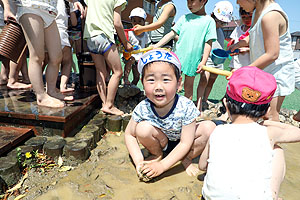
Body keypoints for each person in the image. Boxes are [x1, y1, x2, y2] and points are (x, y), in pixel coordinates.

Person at [199, 66, 300, 200]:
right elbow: (297, 133)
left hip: (209, 198)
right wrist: (266, 122)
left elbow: (201, 165)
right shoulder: (269, 133)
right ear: (267, 111)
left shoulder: (218, 131)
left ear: (226, 104)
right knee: (277, 150)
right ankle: (273, 196)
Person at [125, 49, 215, 181]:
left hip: (186, 143)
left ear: (179, 83)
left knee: (209, 127)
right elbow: (129, 134)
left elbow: (185, 143)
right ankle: (157, 154)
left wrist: (162, 167)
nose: (158, 86)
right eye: (151, 80)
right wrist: (138, 161)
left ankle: (186, 158)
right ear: (143, 83)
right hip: (162, 142)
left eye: (166, 80)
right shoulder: (143, 107)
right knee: (142, 128)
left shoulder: (185, 106)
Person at [2, 0, 80, 107]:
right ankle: (41, 96)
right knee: (38, 56)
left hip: (50, 11)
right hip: (30, 8)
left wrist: (74, 2)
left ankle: (51, 91)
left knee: (57, 56)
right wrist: (7, 8)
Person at [228, 0, 295, 121]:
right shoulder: (257, 13)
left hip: (277, 72)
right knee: (261, 114)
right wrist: (239, 43)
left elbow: (272, 54)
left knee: (270, 115)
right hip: (265, 71)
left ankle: (275, 139)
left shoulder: (270, 16)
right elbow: (255, 33)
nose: (237, 3)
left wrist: (244, 72)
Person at [153, 0, 216, 109]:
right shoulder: (184, 18)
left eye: (192, 1)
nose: (189, 4)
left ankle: (185, 112)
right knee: (170, 83)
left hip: (193, 60)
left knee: (188, 87)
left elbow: (208, 43)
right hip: (177, 58)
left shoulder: (209, 21)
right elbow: (172, 34)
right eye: (188, 1)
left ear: (204, 1)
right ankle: (168, 108)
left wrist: (203, 61)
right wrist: (156, 46)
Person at [83, 0, 133, 116]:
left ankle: (104, 103)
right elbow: (117, 23)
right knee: (118, 72)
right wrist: (126, 44)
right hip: (104, 35)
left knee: (101, 71)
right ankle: (109, 105)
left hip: (90, 36)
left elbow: (85, 15)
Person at [197, 1, 233, 112]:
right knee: (204, 79)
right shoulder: (207, 24)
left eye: (223, 23)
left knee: (212, 81)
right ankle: (198, 104)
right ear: (213, 16)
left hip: (218, 60)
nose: (221, 25)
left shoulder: (220, 30)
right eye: (219, 22)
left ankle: (205, 100)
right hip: (207, 58)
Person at [55, 0, 83, 93]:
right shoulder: (69, 3)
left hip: (48, 32)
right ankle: (62, 86)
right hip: (65, 31)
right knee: (67, 61)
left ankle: (44, 86)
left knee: (48, 61)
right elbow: (74, 22)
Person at [123, 7, 150, 86]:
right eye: (134, 21)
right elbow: (126, 44)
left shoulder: (145, 34)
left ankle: (133, 86)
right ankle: (126, 78)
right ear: (131, 21)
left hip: (139, 57)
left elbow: (146, 46)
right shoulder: (130, 33)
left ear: (144, 22)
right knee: (130, 61)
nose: (136, 23)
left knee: (137, 76)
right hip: (130, 56)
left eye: (139, 21)